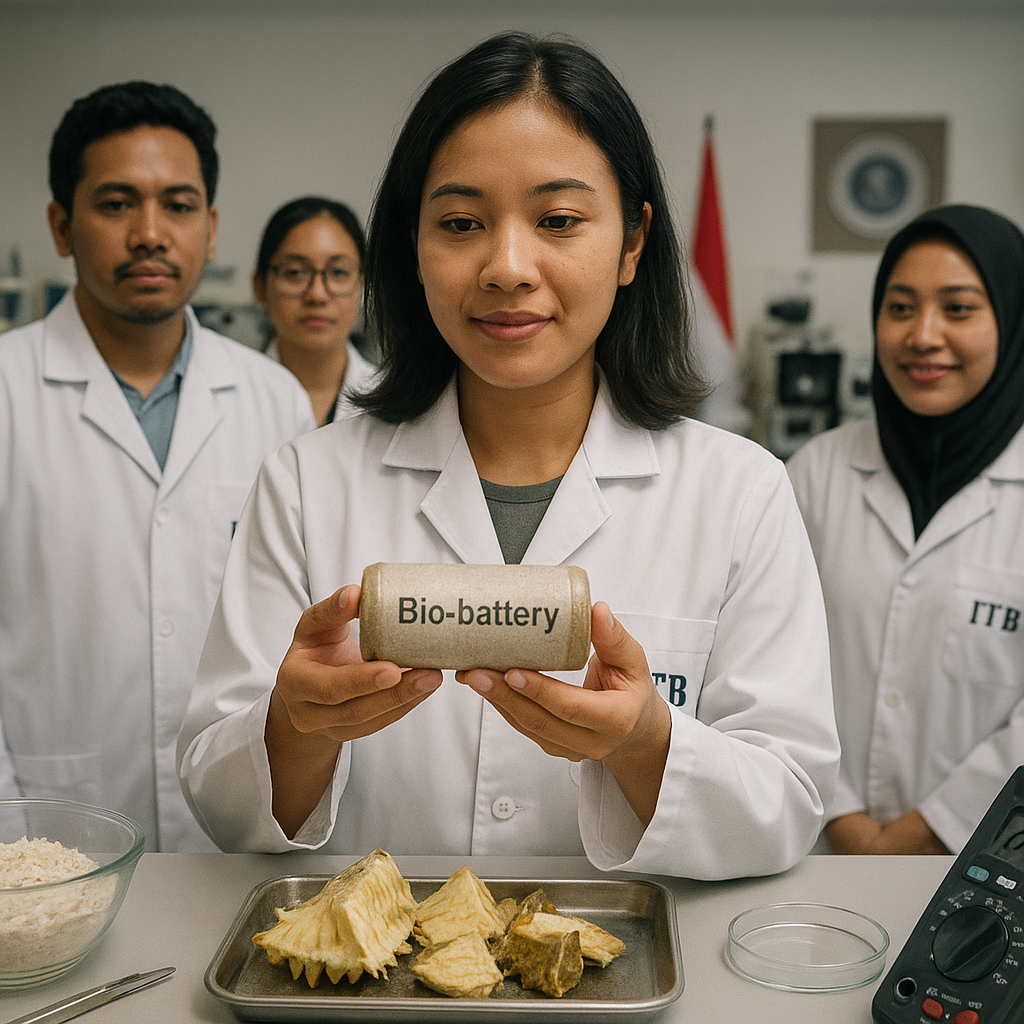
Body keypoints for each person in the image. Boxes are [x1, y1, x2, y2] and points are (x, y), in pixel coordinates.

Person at [177, 31, 839, 879]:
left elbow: (788, 805)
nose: (507, 267)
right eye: (461, 223)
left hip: (626, 988)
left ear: (633, 242)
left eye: (559, 220)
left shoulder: (741, 492)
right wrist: (295, 727)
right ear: (413, 246)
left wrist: (645, 740)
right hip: (375, 993)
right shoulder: (306, 483)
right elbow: (222, 805)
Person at [0, 81, 316, 851]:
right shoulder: (8, 391)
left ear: (210, 229)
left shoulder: (274, 401)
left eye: (177, 206)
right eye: (115, 204)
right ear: (61, 225)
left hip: (239, 837)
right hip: (44, 836)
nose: (149, 233)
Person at [787, 204, 1024, 855]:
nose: (923, 335)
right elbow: (766, 663)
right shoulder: (815, 474)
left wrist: (925, 833)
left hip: (980, 860)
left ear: (1011, 320)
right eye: (899, 308)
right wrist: (843, 818)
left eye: (958, 308)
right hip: (813, 845)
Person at [253, 197, 377, 425]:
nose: (317, 295)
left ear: (362, 284)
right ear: (259, 287)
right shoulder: (236, 396)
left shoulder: (392, 400)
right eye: (295, 273)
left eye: (338, 272)